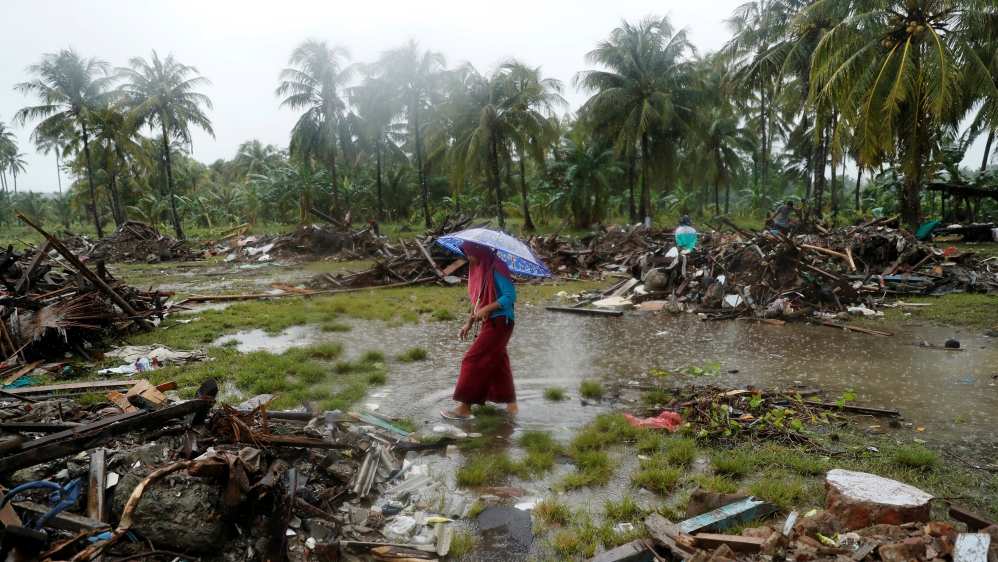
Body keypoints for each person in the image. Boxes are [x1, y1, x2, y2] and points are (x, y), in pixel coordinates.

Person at [441, 241, 518, 420]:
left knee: (472, 359)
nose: (468, 258)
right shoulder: (481, 269)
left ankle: (465, 407)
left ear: (479, 250)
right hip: (490, 320)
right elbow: (478, 301)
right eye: (466, 254)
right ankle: (512, 405)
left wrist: (487, 309)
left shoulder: (498, 267)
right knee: (499, 363)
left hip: (501, 320)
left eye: (470, 254)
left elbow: (510, 295)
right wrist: (468, 323)